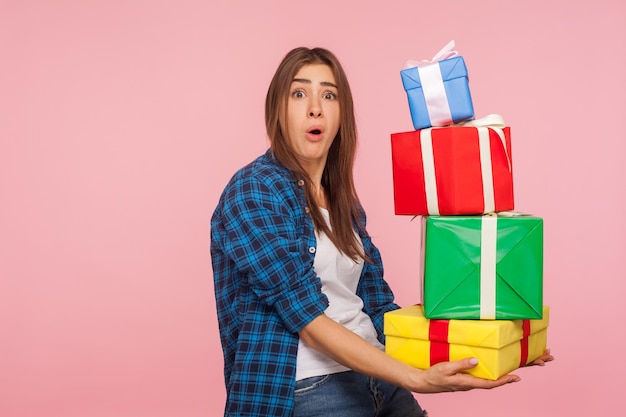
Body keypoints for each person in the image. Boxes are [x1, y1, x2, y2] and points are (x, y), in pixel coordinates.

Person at [210, 46, 553, 417]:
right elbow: (307, 320)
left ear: (342, 115)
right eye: (298, 93)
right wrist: (416, 378)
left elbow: (377, 308)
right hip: (307, 387)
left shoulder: (343, 202)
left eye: (329, 94)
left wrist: (493, 349)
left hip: (380, 379)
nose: (315, 107)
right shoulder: (254, 190)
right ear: (276, 109)